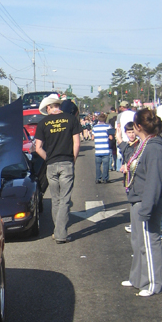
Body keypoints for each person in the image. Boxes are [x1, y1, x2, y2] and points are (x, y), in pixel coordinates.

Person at [122, 108, 162, 297]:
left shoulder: (155, 148)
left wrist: (147, 209)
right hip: (139, 198)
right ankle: (137, 278)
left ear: (138, 126)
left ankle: (153, 283)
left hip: (146, 201)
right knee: (138, 243)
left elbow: (154, 181)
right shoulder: (146, 145)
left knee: (150, 243)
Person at [34, 94, 80, 244]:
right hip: (66, 162)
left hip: (51, 165)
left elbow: (38, 147)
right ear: (57, 106)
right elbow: (76, 143)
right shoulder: (71, 119)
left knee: (56, 199)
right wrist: (72, 159)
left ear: (48, 107)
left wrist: (48, 158)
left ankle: (57, 230)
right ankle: (61, 234)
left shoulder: (43, 123)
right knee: (65, 199)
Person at [91, 112, 114, 183]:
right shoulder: (108, 127)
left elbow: (92, 138)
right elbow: (110, 137)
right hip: (105, 149)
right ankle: (105, 178)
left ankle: (98, 178)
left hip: (98, 150)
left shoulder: (95, 127)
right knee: (105, 165)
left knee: (98, 165)